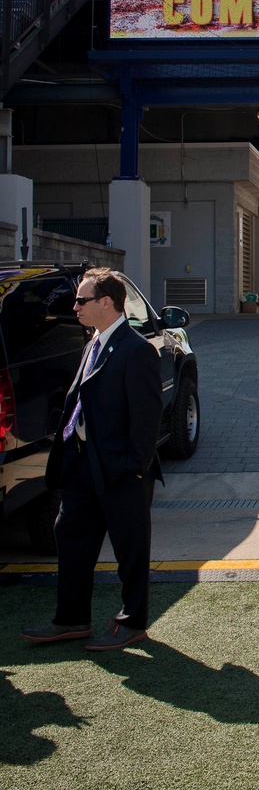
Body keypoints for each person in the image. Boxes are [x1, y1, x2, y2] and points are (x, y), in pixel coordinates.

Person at [21, 269, 164, 652]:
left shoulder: (137, 350)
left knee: (130, 551)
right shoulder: (94, 343)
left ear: (106, 303)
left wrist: (132, 468)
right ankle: (70, 619)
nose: (75, 306)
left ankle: (132, 623)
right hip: (83, 466)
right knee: (70, 538)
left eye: (81, 300)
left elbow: (147, 420)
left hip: (120, 471)